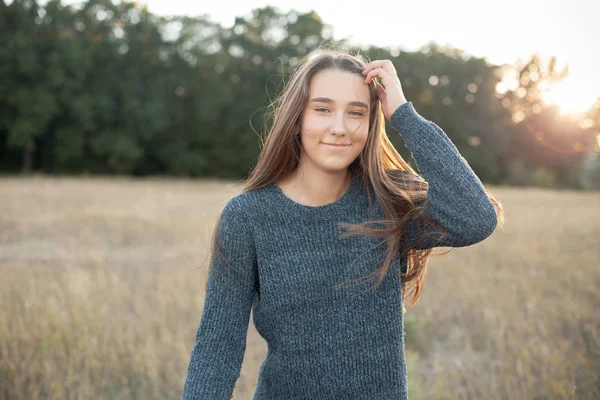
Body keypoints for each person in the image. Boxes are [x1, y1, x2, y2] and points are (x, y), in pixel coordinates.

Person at [181, 48, 504, 400]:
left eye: (356, 112)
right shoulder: (247, 217)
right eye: (322, 109)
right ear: (297, 117)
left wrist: (404, 115)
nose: (339, 128)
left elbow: (476, 218)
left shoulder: (387, 204)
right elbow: (218, 347)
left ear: (371, 122)